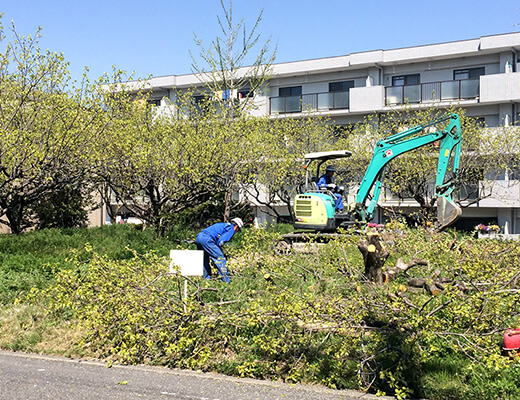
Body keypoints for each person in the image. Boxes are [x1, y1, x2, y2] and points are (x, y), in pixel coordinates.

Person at [195, 217, 244, 283]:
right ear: (236, 227)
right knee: (220, 258)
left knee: (204, 259)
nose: (236, 232)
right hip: (207, 239)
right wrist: (220, 252)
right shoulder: (231, 229)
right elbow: (221, 242)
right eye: (238, 230)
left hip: (199, 238)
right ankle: (226, 281)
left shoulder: (223, 225)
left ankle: (205, 279)